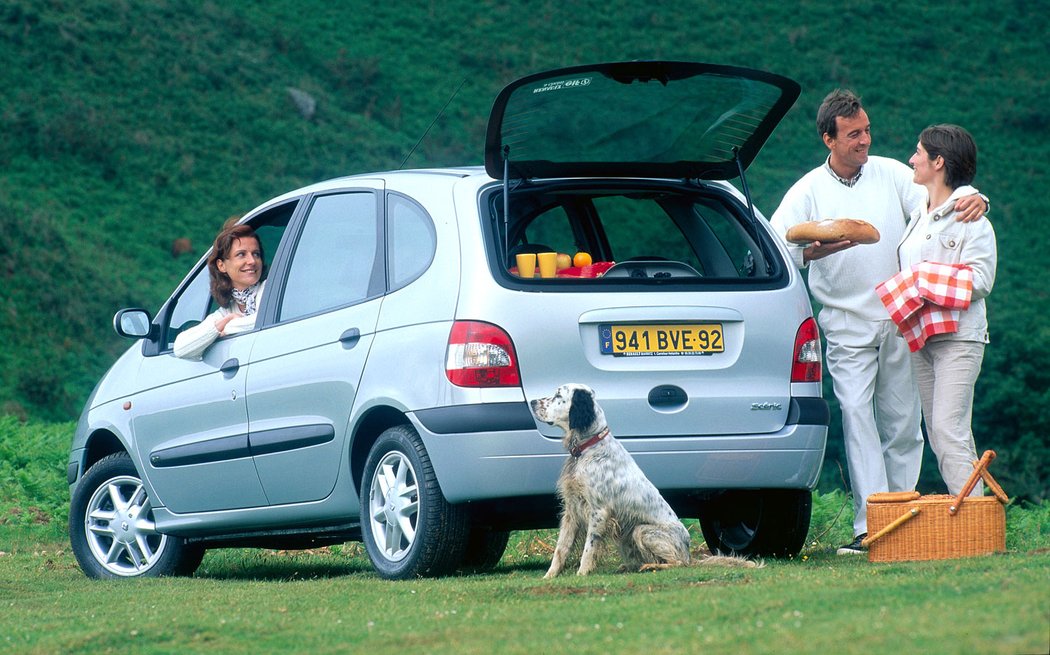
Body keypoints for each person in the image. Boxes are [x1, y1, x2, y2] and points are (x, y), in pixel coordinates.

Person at [769, 90, 988, 555]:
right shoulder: (807, 190)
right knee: (856, 417)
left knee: (904, 423)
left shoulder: (891, 172)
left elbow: (942, 197)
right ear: (829, 139)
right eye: (853, 135)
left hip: (903, 316)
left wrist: (976, 198)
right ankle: (869, 525)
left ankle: (903, 520)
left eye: (866, 130)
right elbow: (778, 243)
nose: (865, 140)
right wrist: (813, 251)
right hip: (845, 322)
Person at [896, 124, 996, 496]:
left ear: (938, 161)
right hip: (923, 337)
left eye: (919, 152)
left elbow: (982, 279)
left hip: (959, 338)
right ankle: (973, 514)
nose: (912, 159)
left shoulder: (972, 218)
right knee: (938, 431)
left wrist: (922, 280)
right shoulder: (919, 211)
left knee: (949, 428)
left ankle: (974, 520)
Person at [173, 223, 265, 359]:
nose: (252, 261)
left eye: (256, 254)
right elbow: (180, 348)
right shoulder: (227, 311)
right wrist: (221, 324)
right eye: (241, 254)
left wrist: (227, 328)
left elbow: (262, 321)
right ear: (221, 265)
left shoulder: (270, 291)